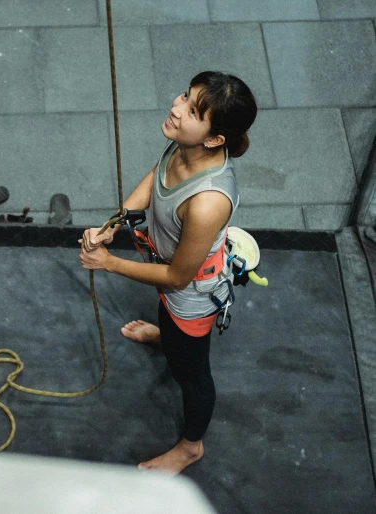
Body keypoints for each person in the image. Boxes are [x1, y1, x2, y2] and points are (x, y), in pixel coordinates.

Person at [78, 71, 258, 475]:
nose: (176, 108)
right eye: (184, 96)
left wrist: (108, 263)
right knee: (169, 325)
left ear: (214, 139)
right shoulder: (185, 144)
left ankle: (191, 447)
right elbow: (155, 178)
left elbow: (178, 279)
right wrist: (115, 223)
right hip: (165, 273)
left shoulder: (209, 200)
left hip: (190, 295)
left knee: (191, 374)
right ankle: (167, 338)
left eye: (192, 110)